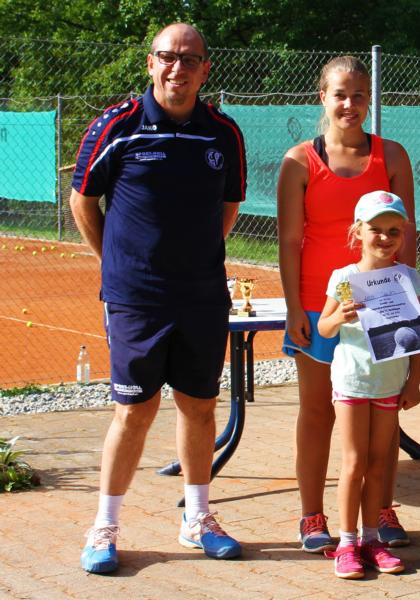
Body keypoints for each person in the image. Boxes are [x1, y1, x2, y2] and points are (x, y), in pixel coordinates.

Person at [70, 23, 246, 574]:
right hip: (135, 299)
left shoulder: (223, 132)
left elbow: (228, 207)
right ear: (151, 63)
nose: (178, 68)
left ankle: (198, 519)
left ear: (205, 69)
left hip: (201, 296)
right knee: (134, 410)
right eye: (168, 57)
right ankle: (104, 527)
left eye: (190, 59)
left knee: (199, 406)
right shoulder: (116, 125)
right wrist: (117, 262)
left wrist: (195, 260)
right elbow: (83, 200)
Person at [277, 56, 415, 553]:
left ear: (369, 99)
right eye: (340, 94)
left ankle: (381, 510)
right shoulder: (299, 160)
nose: (350, 104)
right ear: (323, 97)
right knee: (318, 413)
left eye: (359, 95)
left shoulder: (392, 155)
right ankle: (312, 516)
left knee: (384, 416)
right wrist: (296, 308)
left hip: (383, 306)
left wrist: (409, 299)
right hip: (320, 307)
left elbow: (407, 234)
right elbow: (289, 240)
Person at [317, 191, 420, 579]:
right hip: (353, 382)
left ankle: (372, 539)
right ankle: (347, 544)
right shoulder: (345, 278)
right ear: (357, 232)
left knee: (379, 465)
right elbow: (323, 327)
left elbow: (417, 337)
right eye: (376, 229)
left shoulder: (408, 277)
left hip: (389, 384)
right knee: (354, 463)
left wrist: (414, 383)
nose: (385, 237)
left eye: (394, 231)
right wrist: (339, 317)